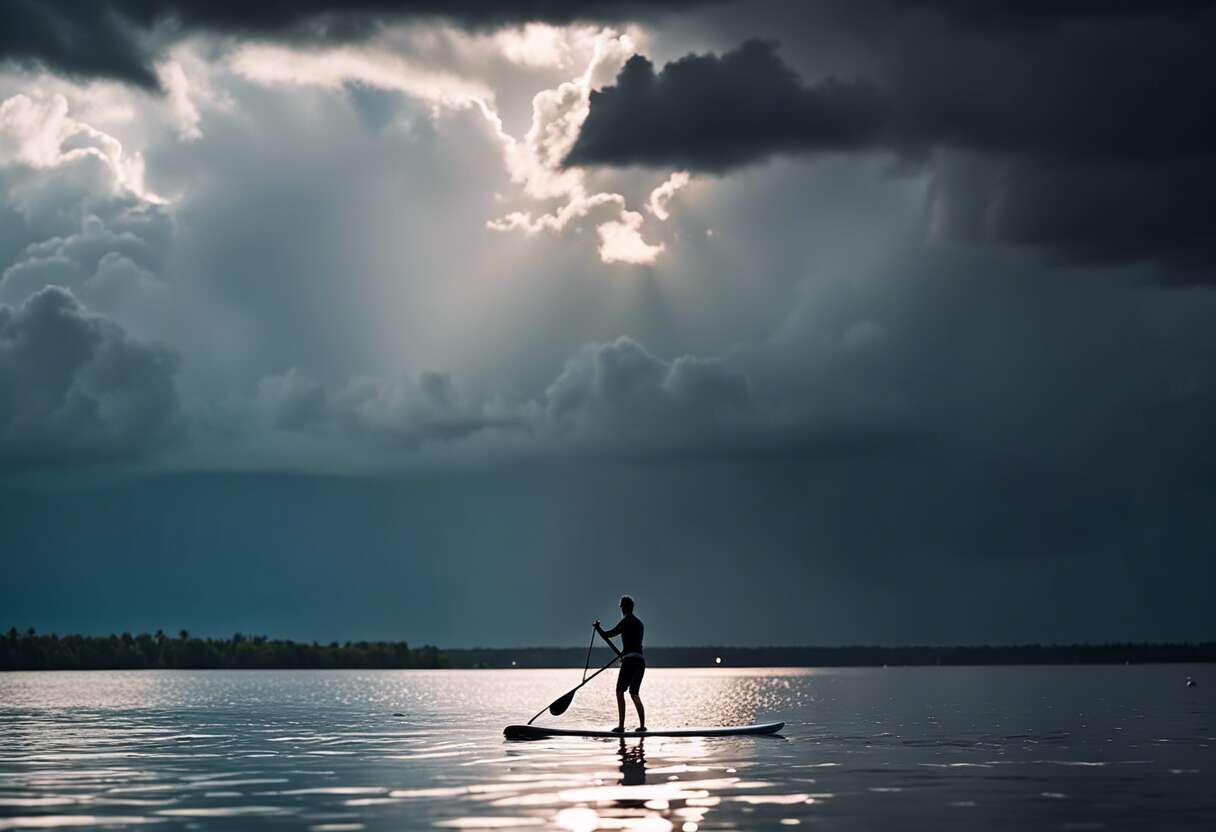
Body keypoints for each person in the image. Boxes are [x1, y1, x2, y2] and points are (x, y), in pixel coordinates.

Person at [594, 595, 645, 733]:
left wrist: (597, 627)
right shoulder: (640, 623)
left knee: (619, 691)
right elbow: (632, 643)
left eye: (621, 606)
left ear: (623, 607)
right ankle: (642, 726)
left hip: (630, 661)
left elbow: (607, 635)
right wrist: (624, 652)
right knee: (634, 693)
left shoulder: (626, 621)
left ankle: (621, 727)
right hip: (640, 661)